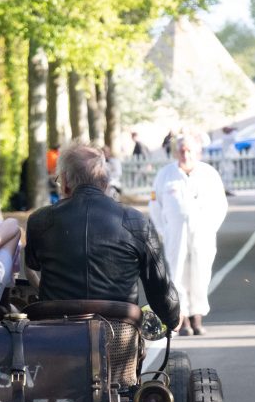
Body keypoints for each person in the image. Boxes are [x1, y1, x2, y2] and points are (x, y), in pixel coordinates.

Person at [25, 143, 181, 334]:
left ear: (65, 181)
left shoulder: (40, 221)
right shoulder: (136, 222)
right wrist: (172, 317)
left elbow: (32, 265)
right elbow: (159, 286)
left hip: (57, 339)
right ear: (105, 181)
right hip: (119, 338)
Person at [150, 131, 229, 336]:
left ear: (198, 152)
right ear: (176, 152)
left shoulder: (208, 174)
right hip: (175, 234)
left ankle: (197, 317)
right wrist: (163, 231)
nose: (186, 154)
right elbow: (155, 206)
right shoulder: (165, 175)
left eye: (190, 150)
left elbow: (220, 205)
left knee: (200, 274)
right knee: (177, 275)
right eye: (182, 150)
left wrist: (210, 227)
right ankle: (182, 318)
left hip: (202, 233)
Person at [218, 127, 238, 196]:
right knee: (227, 175)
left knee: (229, 174)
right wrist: (233, 131)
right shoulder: (226, 137)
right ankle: (227, 189)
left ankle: (228, 189)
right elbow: (234, 138)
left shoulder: (227, 137)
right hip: (226, 159)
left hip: (228, 159)